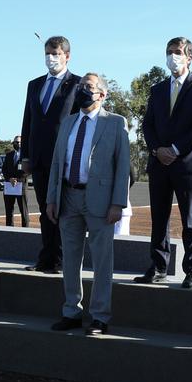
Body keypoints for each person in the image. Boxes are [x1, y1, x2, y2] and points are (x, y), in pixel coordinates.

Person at [46, 74, 130, 336]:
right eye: (81, 86)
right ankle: (72, 310)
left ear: (102, 95)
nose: (83, 90)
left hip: (101, 201)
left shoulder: (116, 124)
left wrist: (118, 203)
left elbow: (123, 167)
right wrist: (51, 198)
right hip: (68, 198)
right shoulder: (69, 122)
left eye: (89, 87)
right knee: (70, 259)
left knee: (102, 261)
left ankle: (99, 317)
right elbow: (58, 163)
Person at [137, 37, 192, 288]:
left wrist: (175, 149)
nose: (173, 56)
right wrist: (157, 149)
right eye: (169, 52)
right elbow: (147, 124)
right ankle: (158, 266)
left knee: (190, 219)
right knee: (159, 218)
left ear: (189, 57)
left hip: (187, 165)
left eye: (178, 52)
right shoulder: (157, 89)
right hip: (159, 163)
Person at [20, 36, 84, 274]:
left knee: (61, 211)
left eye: (55, 53)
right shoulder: (34, 84)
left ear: (67, 56)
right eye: (47, 53)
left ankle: (61, 259)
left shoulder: (77, 84)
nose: (50, 58)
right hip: (37, 159)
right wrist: (24, 155)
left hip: (64, 159)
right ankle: (45, 258)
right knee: (44, 211)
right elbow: (28, 121)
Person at [2, 135, 29, 227]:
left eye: (19, 142)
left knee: (23, 211)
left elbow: (27, 171)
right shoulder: (9, 155)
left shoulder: (26, 156)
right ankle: (9, 230)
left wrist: (17, 179)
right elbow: (4, 169)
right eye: (15, 142)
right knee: (9, 210)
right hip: (9, 186)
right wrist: (9, 179)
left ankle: (26, 230)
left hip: (20, 186)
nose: (17, 144)